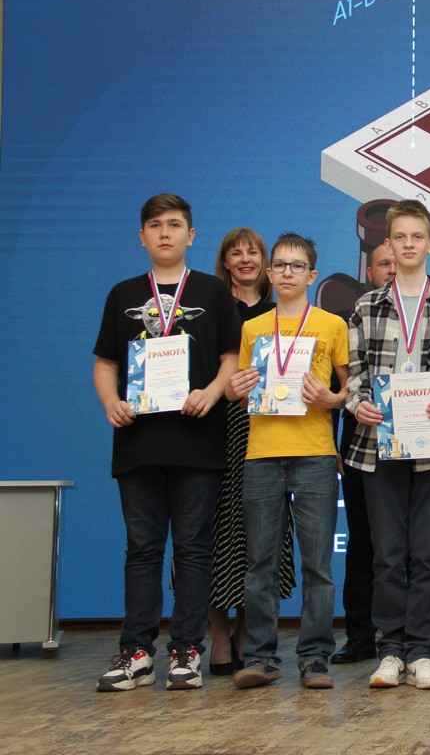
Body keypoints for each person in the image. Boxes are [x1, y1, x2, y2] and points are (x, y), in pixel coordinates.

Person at [93, 193, 240, 691]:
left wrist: (212, 392)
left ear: (190, 235)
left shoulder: (212, 292)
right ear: (142, 237)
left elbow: (231, 358)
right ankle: (136, 652)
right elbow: (106, 363)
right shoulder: (123, 294)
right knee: (142, 549)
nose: (164, 233)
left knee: (194, 550)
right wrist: (110, 401)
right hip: (138, 443)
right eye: (155, 225)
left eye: (174, 224)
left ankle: (186, 651)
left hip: (198, 441)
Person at [344, 201, 430, 690]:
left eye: (417, 236)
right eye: (400, 237)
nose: (409, 244)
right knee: (386, 553)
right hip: (378, 443)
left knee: (426, 553)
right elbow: (354, 375)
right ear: (389, 245)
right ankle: (390, 651)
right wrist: (358, 404)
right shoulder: (366, 306)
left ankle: (421, 651)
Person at [227, 233, 349, 690]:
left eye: (297, 266)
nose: (287, 272)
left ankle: (315, 657)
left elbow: (349, 390)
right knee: (259, 563)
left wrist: (330, 398)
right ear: (269, 272)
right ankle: (260, 656)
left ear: (312, 275)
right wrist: (237, 392)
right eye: (279, 265)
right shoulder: (253, 328)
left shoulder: (332, 324)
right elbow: (244, 394)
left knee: (317, 565)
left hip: (315, 453)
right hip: (261, 453)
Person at [206, 227, 297, 676]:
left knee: (261, 534)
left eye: (253, 252)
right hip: (216, 431)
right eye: (235, 252)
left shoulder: (281, 312)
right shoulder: (210, 307)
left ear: (266, 262)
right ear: (224, 261)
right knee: (213, 530)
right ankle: (218, 634)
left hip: (270, 432)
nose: (244, 259)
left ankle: (249, 631)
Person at [331, 241, 394, 666]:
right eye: (382, 263)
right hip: (360, 443)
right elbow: (340, 387)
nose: (391, 269)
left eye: (396, 262)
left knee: (411, 545)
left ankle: (416, 636)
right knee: (362, 540)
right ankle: (359, 635)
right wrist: (333, 444)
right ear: (368, 273)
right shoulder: (352, 318)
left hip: (416, 444)